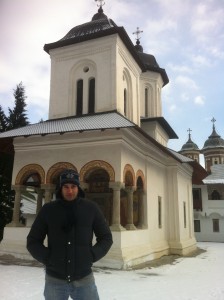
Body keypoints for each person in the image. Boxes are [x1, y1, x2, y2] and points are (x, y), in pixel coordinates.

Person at [27, 169, 113, 300]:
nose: (70, 191)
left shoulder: (91, 209)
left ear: (78, 187)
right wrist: (48, 258)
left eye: (73, 186)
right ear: (60, 188)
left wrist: (91, 255)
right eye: (66, 187)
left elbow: (106, 237)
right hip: (55, 280)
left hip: (84, 278)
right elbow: (33, 240)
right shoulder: (48, 210)